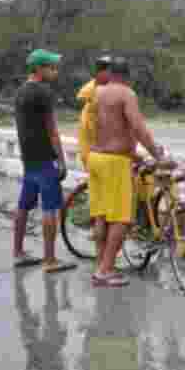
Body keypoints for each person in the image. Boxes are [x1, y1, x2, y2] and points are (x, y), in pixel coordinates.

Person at [88, 57, 164, 287]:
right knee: (122, 218)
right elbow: (137, 126)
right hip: (114, 162)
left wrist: (134, 153)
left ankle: (101, 263)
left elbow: (104, 126)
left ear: (110, 73)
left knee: (101, 216)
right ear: (127, 76)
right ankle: (105, 271)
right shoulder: (126, 94)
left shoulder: (97, 92)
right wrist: (156, 153)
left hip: (96, 158)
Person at [12, 49, 76, 273]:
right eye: (51, 67)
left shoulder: (20, 91)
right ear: (39, 69)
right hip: (45, 160)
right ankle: (50, 260)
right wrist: (61, 159)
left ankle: (18, 253)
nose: (55, 71)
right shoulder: (43, 92)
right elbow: (52, 130)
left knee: (23, 206)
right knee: (50, 208)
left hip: (28, 158)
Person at [77, 55, 115, 245]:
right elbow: (98, 126)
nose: (113, 74)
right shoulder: (95, 92)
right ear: (101, 72)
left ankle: (100, 245)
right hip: (97, 153)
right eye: (110, 70)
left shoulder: (95, 90)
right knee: (108, 207)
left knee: (100, 206)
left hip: (93, 153)